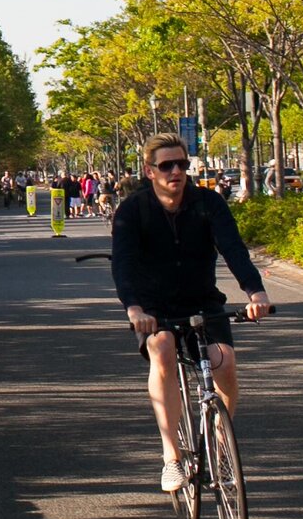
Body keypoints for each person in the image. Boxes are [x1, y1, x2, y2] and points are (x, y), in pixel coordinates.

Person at [110, 131, 272, 494]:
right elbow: (123, 264)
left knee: (225, 363)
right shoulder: (133, 210)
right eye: (166, 165)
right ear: (150, 171)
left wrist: (255, 291)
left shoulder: (208, 203)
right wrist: (134, 308)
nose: (176, 172)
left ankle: (218, 441)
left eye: (181, 164)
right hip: (154, 308)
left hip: (203, 302)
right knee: (163, 350)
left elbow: (233, 249)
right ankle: (171, 459)